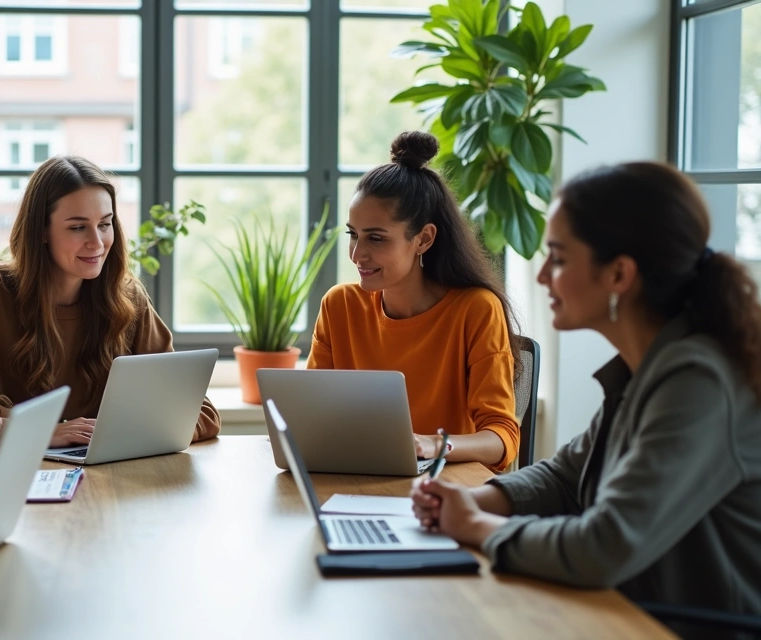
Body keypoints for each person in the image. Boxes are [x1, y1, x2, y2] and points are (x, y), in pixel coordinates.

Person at [411, 162, 761, 632]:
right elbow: (567, 475)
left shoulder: (697, 380)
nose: (541, 278)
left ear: (619, 274)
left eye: (557, 258)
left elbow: (603, 546)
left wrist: (473, 526)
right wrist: (475, 499)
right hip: (628, 613)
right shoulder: (649, 368)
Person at [0, 155, 220, 445]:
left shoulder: (127, 297)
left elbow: (200, 413)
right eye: (78, 227)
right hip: (15, 473)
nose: (97, 242)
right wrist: (42, 431)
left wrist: (117, 434)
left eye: (105, 225)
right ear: (41, 230)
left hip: (109, 476)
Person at [309, 131, 520, 470]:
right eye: (353, 235)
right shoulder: (339, 306)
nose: (357, 254)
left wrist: (431, 445)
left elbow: (502, 438)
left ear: (423, 239)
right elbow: (311, 414)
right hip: (356, 478)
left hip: (446, 489)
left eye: (376, 238)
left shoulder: (476, 309)